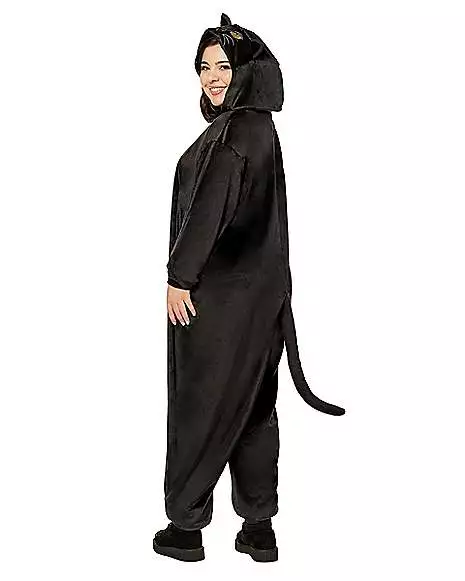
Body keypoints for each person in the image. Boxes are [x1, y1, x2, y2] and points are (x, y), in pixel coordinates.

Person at [153, 13, 345, 563]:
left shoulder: (236, 131)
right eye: (204, 67)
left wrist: (179, 276)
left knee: (200, 406)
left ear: (247, 71)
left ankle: (185, 528)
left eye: (224, 65)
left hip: (215, 302)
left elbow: (211, 206)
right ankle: (259, 528)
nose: (212, 76)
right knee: (254, 408)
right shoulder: (258, 128)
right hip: (260, 303)